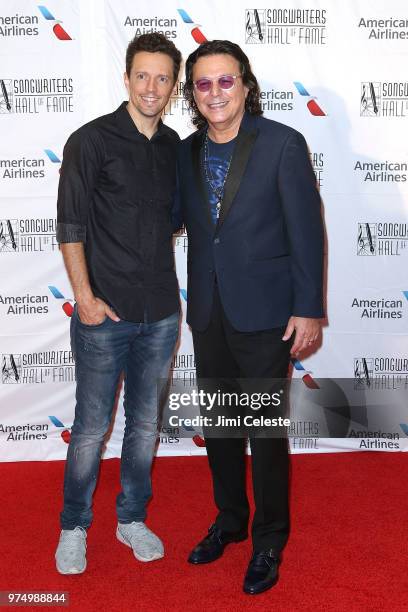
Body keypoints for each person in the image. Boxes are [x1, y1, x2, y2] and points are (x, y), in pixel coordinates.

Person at [177, 40, 324, 595]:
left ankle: (269, 540)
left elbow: (307, 230)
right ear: (193, 93)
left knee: (263, 432)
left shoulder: (283, 144)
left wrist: (308, 307)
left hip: (266, 314)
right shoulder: (185, 152)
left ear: (245, 84)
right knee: (219, 427)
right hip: (209, 312)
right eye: (203, 84)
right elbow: (170, 218)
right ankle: (231, 521)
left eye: (225, 81)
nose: (215, 92)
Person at [54, 33, 182, 574]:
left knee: (145, 426)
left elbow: (177, 220)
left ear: (174, 86)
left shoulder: (177, 145)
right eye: (142, 75)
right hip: (103, 315)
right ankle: (73, 526)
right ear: (126, 78)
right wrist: (83, 297)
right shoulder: (90, 140)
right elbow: (71, 225)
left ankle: (131, 518)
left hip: (161, 315)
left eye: (162, 77)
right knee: (89, 429)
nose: (151, 86)